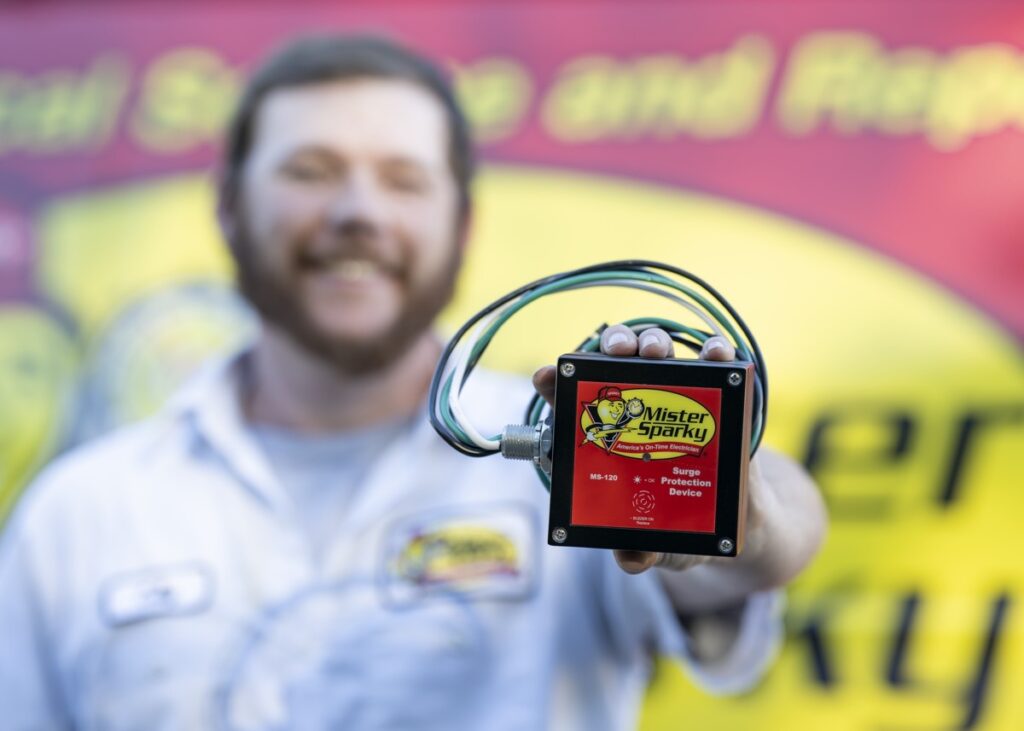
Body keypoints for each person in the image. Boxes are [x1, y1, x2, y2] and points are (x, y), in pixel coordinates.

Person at [0, 35, 826, 731]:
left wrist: (734, 503)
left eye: (403, 179)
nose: (358, 210)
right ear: (229, 207)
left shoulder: (570, 456)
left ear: (461, 224)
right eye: (311, 170)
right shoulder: (80, 512)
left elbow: (765, 546)